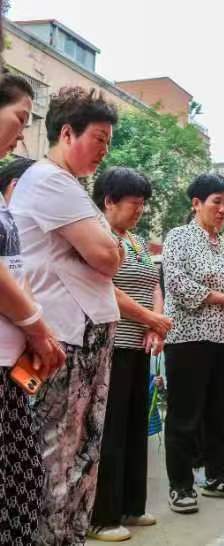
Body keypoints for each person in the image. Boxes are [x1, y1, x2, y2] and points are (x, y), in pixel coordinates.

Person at [12, 86, 124, 545]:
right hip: (62, 338)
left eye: (108, 142)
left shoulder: (70, 187)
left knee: (82, 451)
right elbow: (107, 255)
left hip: (82, 335)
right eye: (98, 139)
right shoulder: (51, 181)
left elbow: (104, 254)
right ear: (66, 132)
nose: (104, 151)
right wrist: (99, 248)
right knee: (57, 454)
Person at [162, 174, 224, 515]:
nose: (222, 208)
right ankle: (181, 485)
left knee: (222, 412)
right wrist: (218, 297)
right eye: (216, 201)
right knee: (185, 414)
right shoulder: (179, 237)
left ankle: (217, 477)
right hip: (188, 337)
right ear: (197, 202)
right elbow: (175, 282)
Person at [0, 72, 66, 546]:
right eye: (20, 119)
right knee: (18, 493)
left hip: (10, 361)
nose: (22, 133)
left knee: (22, 488)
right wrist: (37, 326)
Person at [88, 168, 171, 541]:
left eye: (142, 204)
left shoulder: (135, 242)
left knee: (136, 426)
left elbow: (153, 283)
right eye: (133, 204)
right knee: (110, 432)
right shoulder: (96, 235)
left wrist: (154, 325)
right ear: (109, 200)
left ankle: (131, 505)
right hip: (109, 345)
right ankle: (101, 515)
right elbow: (105, 287)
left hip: (139, 346)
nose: (139, 210)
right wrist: (149, 317)